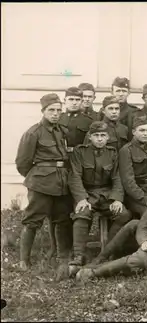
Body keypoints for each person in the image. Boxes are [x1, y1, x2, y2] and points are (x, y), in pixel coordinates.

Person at [15, 93, 73, 280]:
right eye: (51, 110)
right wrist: (37, 178)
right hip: (41, 183)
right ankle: (24, 260)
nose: (56, 114)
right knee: (33, 220)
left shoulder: (61, 131)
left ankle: (62, 256)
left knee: (62, 219)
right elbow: (23, 162)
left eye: (58, 110)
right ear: (43, 111)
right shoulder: (33, 133)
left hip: (61, 182)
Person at [67, 121, 132, 270]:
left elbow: (117, 178)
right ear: (90, 137)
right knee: (82, 213)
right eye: (96, 135)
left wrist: (116, 199)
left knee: (123, 215)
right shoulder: (80, 152)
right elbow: (75, 176)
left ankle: (108, 251)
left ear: (108, 137)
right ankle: (78, 255)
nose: (100, 139)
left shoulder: (112, 153)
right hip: (87, 193)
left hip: (106, 194)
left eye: (103, 135)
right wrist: (81, 198)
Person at [119, 116, 147, 218]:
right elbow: (128, 182)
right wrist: (143, 198)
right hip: (134, 195)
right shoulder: (126, 150)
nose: (145, 133)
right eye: (141, 130)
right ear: (133, 132)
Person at [58, 87, 94, 153]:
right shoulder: (58, 119)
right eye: (71, 99)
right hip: (60, 157)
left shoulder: (89, 121)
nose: (74, 103)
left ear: (82, 101)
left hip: (80, 157)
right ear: (64, 101)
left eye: (77, 100)